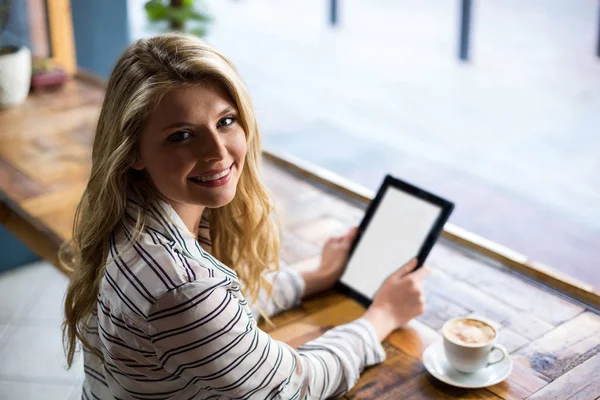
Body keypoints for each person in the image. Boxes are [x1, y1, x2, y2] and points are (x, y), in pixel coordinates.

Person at [61, 33, 428, 399]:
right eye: (182, 135)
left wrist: (311, 277)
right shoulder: (178, 286)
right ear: (133, 151)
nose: (217, 152)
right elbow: (295, 386)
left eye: (225, 121)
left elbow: (214, 320)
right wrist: (382, 316)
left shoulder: (131, 220)